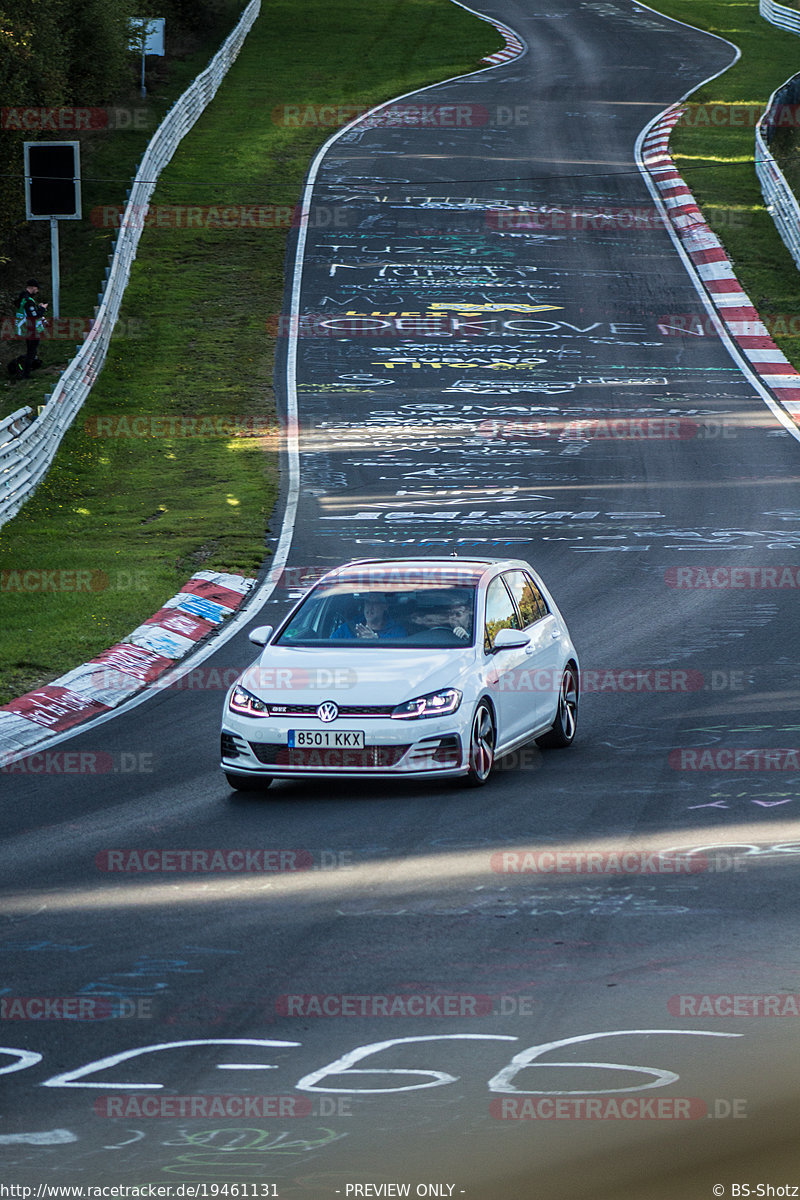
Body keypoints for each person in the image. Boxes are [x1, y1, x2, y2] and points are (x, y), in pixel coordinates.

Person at [331, 594, 405, 640]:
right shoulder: (347, 628)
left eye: (374, 603)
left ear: (384, 606)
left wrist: (376, 640)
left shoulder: (397, 631)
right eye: (367, 603)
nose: (370, 607)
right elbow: (330, 646)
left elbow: (400, 652)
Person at [14, 279, 48, 379]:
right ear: (32, 288)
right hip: (31, 329)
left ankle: (25, 370)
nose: (37, 291)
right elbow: (34, 316)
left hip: (24, 328)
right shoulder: (28, 300)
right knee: (31, 352)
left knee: (30, 350)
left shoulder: (22, 298)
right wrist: (43, 308)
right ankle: (26, 374)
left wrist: (37, 307)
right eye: (36, 289)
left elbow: (27, 312)